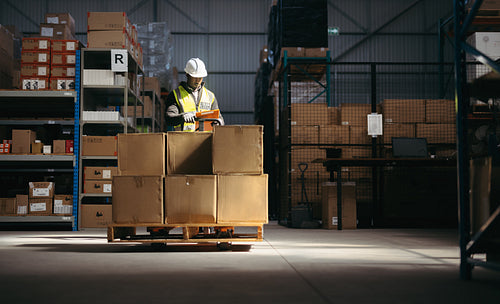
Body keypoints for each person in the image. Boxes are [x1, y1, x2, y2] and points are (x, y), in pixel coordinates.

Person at [165, 58, 224, 131]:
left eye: (200, 77)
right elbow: (169, 118)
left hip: (206, 140)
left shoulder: (210, 96)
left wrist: (217, 123)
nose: (198, 80)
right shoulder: (176, 95)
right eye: (195, 77)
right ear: (187, 75)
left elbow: (220, 119)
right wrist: (182, 117)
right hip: (183, 140)